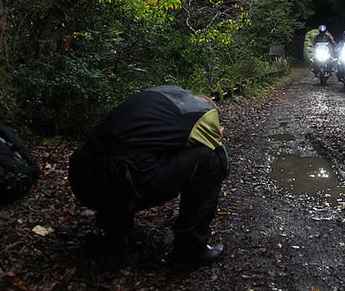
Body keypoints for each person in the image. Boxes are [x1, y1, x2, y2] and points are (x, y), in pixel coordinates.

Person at [68, 85, 229, 268]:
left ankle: (116, 233)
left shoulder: (157, 98)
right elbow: (215, 147)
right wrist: (217, 136)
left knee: (127, 155)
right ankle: (190, 250)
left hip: (81, 180)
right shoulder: (201, 112)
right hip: (125, 181)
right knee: (211, 157)